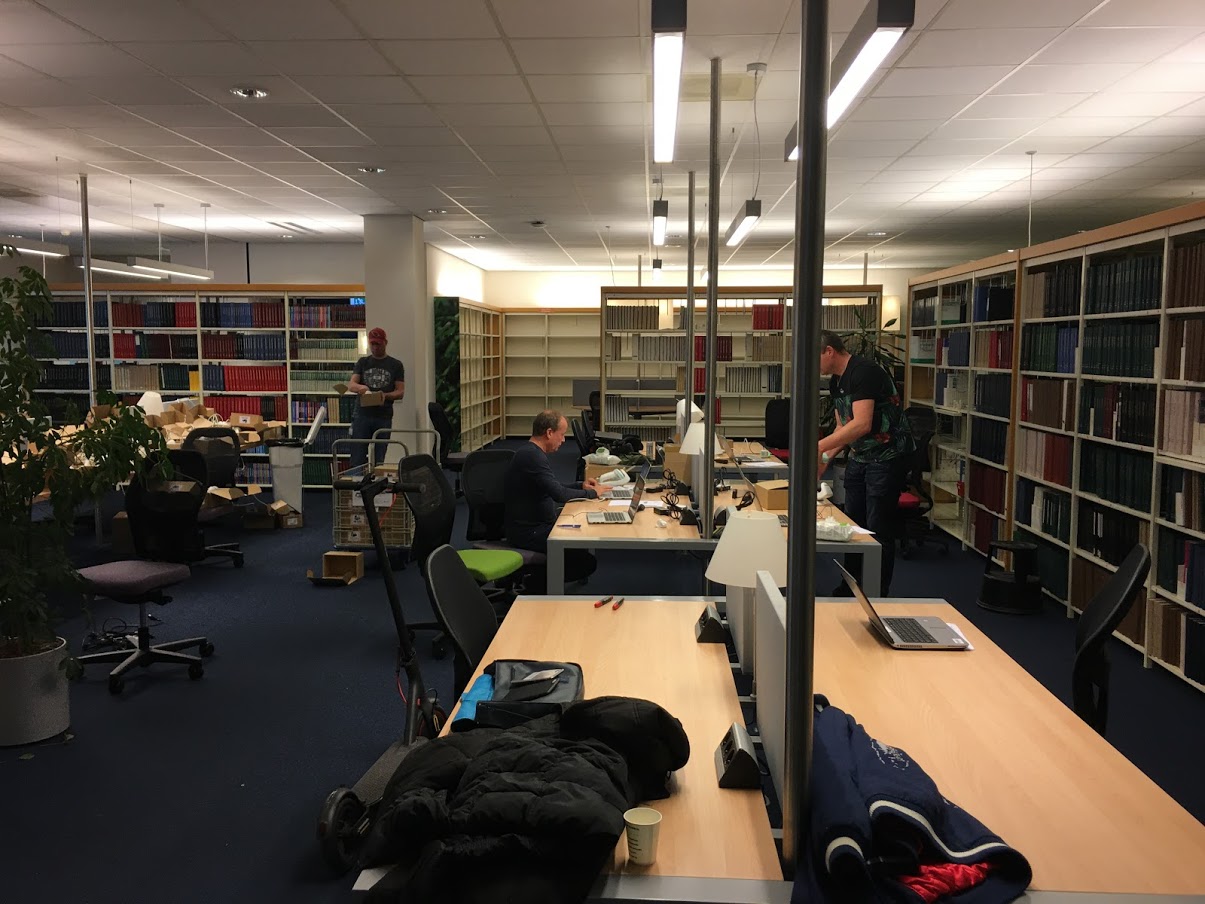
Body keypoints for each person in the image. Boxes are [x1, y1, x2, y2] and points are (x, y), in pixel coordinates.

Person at [817, 330, 914, 596]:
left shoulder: (865, 371)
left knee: (877, 527)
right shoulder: (837, 381)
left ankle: (875, 592)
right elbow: (843, 426)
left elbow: (861, 424)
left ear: (829, 351)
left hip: (886, 456)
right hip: (861, 457)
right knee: (853, 525)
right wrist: (825, 457)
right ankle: (852, 587)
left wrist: (819, 447)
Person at [505, 409, 600, 591]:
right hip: (528, 532)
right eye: (562, 434)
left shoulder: (531, 452)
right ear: (549, 432)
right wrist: (594, 494)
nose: (564, 440)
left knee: (580, 548)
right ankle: (531, 584)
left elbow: (553, 486)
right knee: (586, 563)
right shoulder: (532, 456)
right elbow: (559, 495)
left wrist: (580, 486)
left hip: (532, 525)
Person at [348, 327, 405, 472]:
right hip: (362, 415)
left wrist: (385, 396)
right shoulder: (363, 362)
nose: (375, 347)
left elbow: (400, 391)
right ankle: (357, 489)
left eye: (378, 344)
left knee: (380, 458)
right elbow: (351, 384)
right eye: (372, 344)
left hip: (383, 416)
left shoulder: (395, 365)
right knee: (358, 457)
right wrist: (361, 388)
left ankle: (377, 487)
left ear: (385, 343)